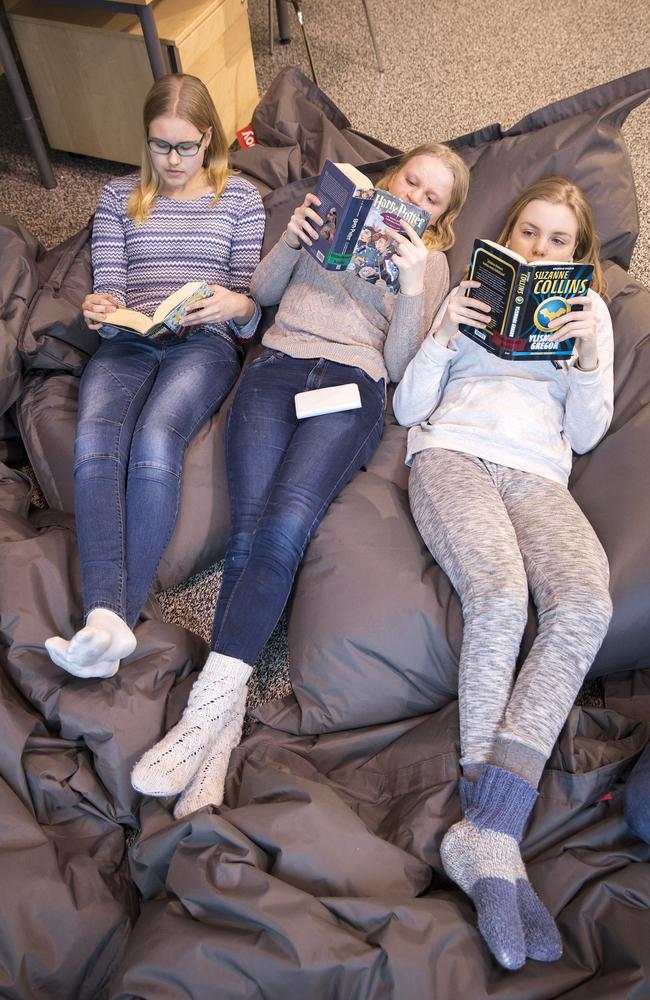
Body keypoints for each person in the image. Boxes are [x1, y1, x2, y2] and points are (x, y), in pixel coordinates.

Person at [131, 142, 471, 817]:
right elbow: (259, 295)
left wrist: (408, 287)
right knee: (250, 529)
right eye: (413, 181)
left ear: (440, 217)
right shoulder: (333, 217)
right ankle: (219, 739)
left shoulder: (428, 266)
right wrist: (293, 238)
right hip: (279, 363)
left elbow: (401, 363)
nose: (418, 198)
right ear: (391, 177)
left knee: (285, 528)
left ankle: (202, 717)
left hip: (353, 385)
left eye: (433, 198)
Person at [392, 176, 614, 970]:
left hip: (538, 475)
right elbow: (409, 406)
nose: (538, 249)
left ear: (577, 255)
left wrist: (588, 355)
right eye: (528, 233)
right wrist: (446, 335)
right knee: (500, 595)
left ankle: (487, 829)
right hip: (452, 452)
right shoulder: (468, 293)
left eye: (558, 241)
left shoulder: (595, 317)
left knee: (586, 601)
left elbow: (587, 434)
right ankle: (493, 839)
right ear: (507, 235)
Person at [44, 74, 265, 680]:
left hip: (203, 341)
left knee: (156, 440)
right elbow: (110, 284)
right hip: (130, 336)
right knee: (94, 443)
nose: (170, 161)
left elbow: (250, 304)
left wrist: (235, 307)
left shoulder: (240, 199)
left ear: (208, 139)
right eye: (159, 145)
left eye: (184, 147)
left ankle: (108, 617)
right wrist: (99, 306)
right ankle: (108, 622)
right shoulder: (119, 196)